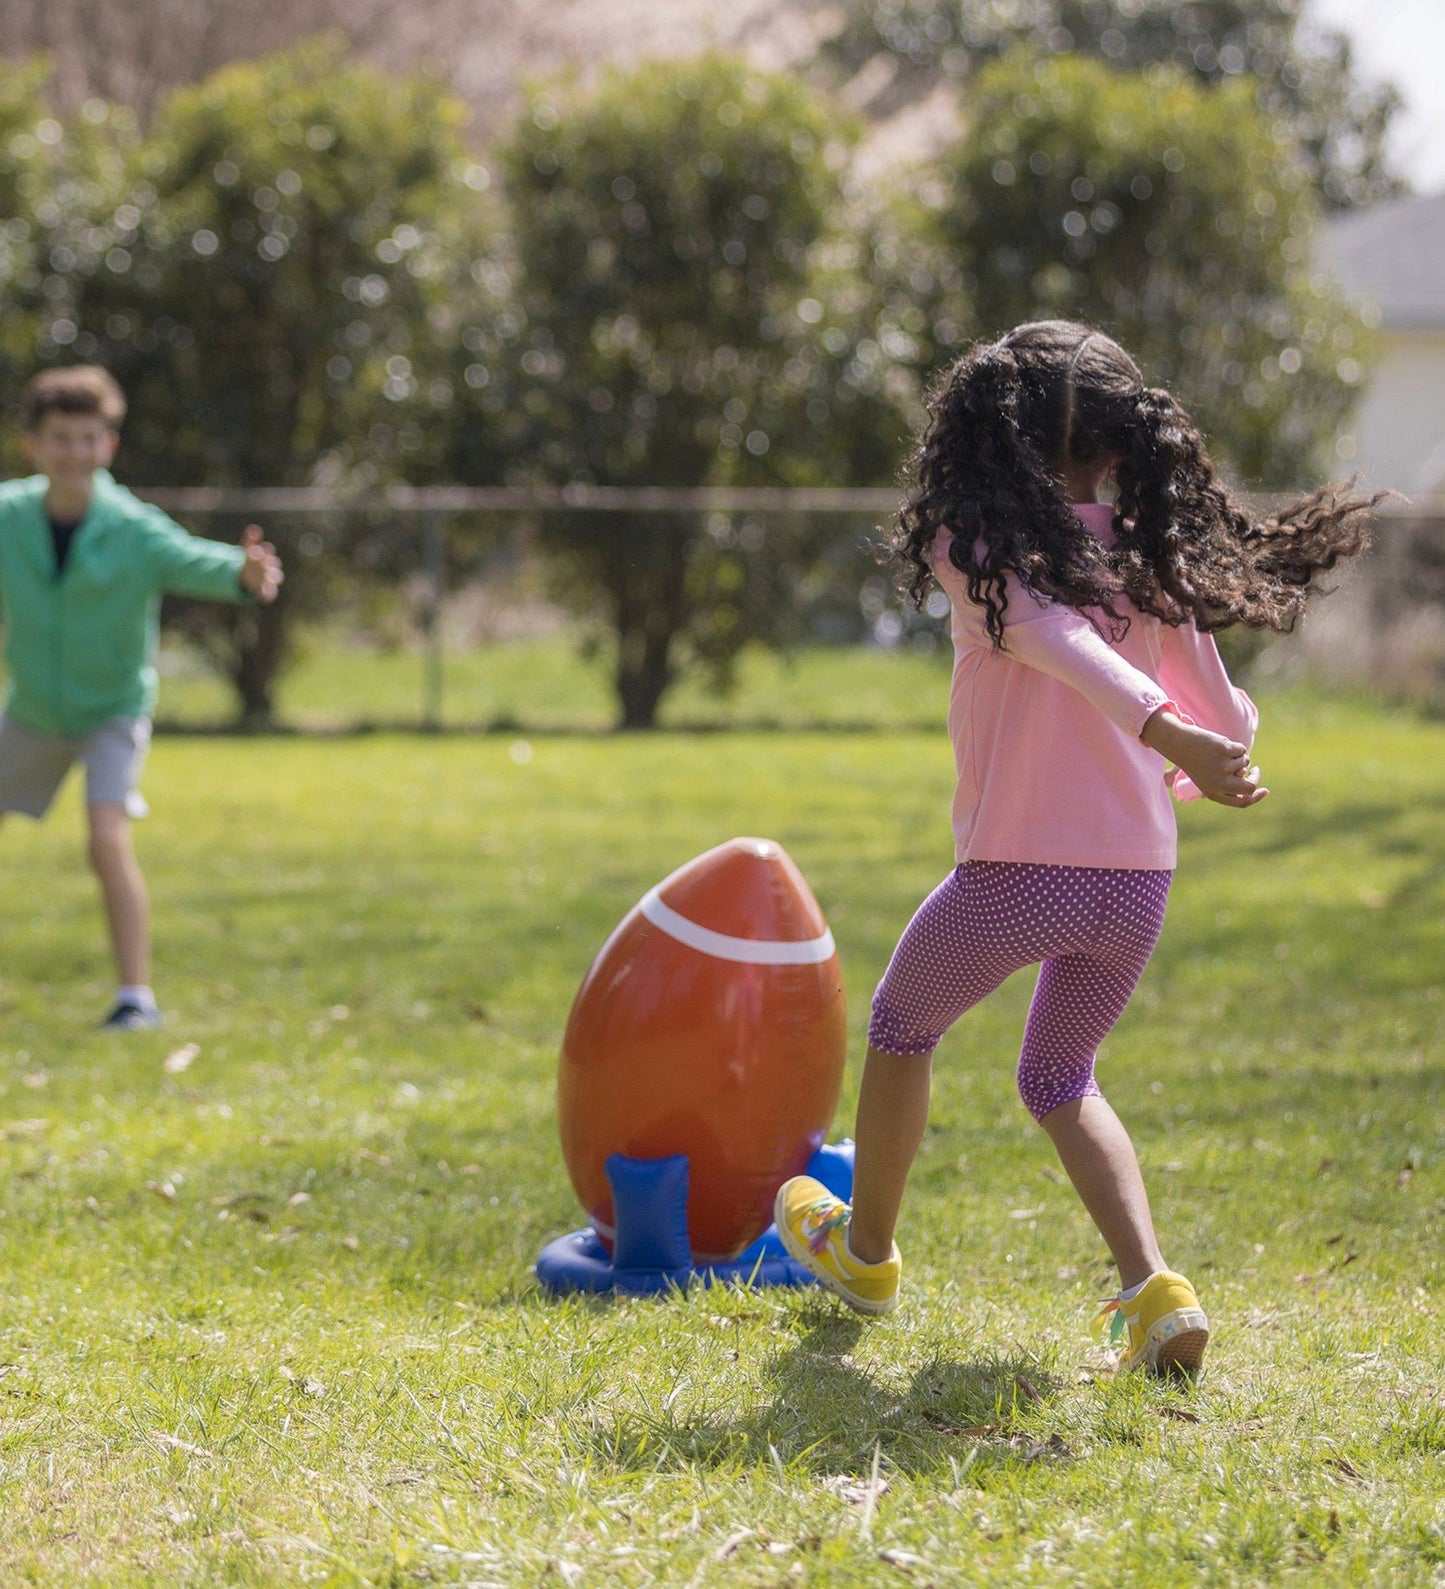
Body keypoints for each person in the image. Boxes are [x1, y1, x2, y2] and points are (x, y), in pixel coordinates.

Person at [775, 321, 1378, 1377]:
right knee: (1059, 1072)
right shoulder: (1145, 547)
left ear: (984, 440)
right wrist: (1208, 747)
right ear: (1115, 445)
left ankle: (863, 1253)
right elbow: (1211, 691)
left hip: (1017, 873)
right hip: (1136, 883)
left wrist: (1173, 734)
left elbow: (1057, 640)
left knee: (898, 1022)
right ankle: (1153, 1290)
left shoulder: (979, 543)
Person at [0, 366, 283, 1030]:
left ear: (108, 447)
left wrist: (242, 573)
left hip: (111, 713)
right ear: (32, 446)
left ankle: (135, 998)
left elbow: (196, 561)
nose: (74, 451)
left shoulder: (131, 528)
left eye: (87, 438)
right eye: (59, 438)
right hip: (32, 711)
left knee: (106, 837)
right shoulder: (9, 517)